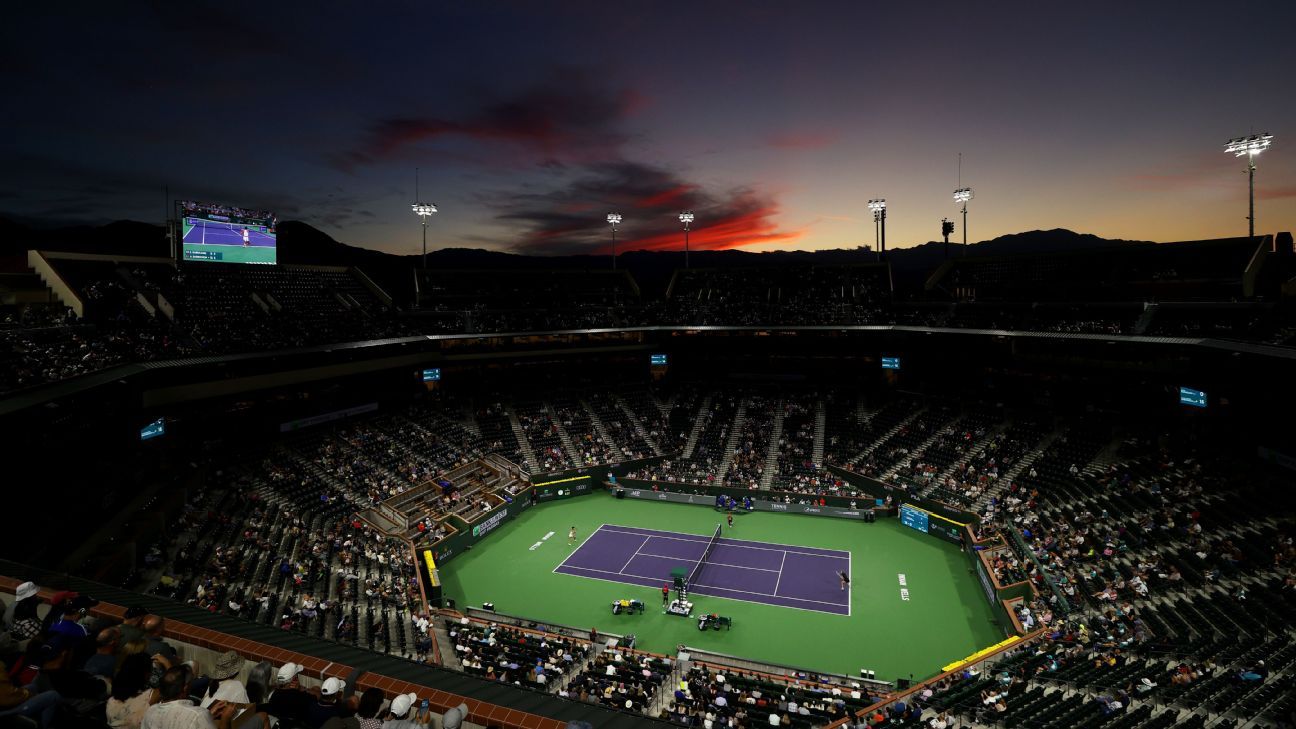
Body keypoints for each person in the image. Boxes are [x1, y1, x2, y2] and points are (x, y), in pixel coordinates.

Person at [107, 653, 157, 729]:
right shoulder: (149, 696)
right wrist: (167, 663)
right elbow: (173, 687)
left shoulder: (111, 700)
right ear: (146, 674)